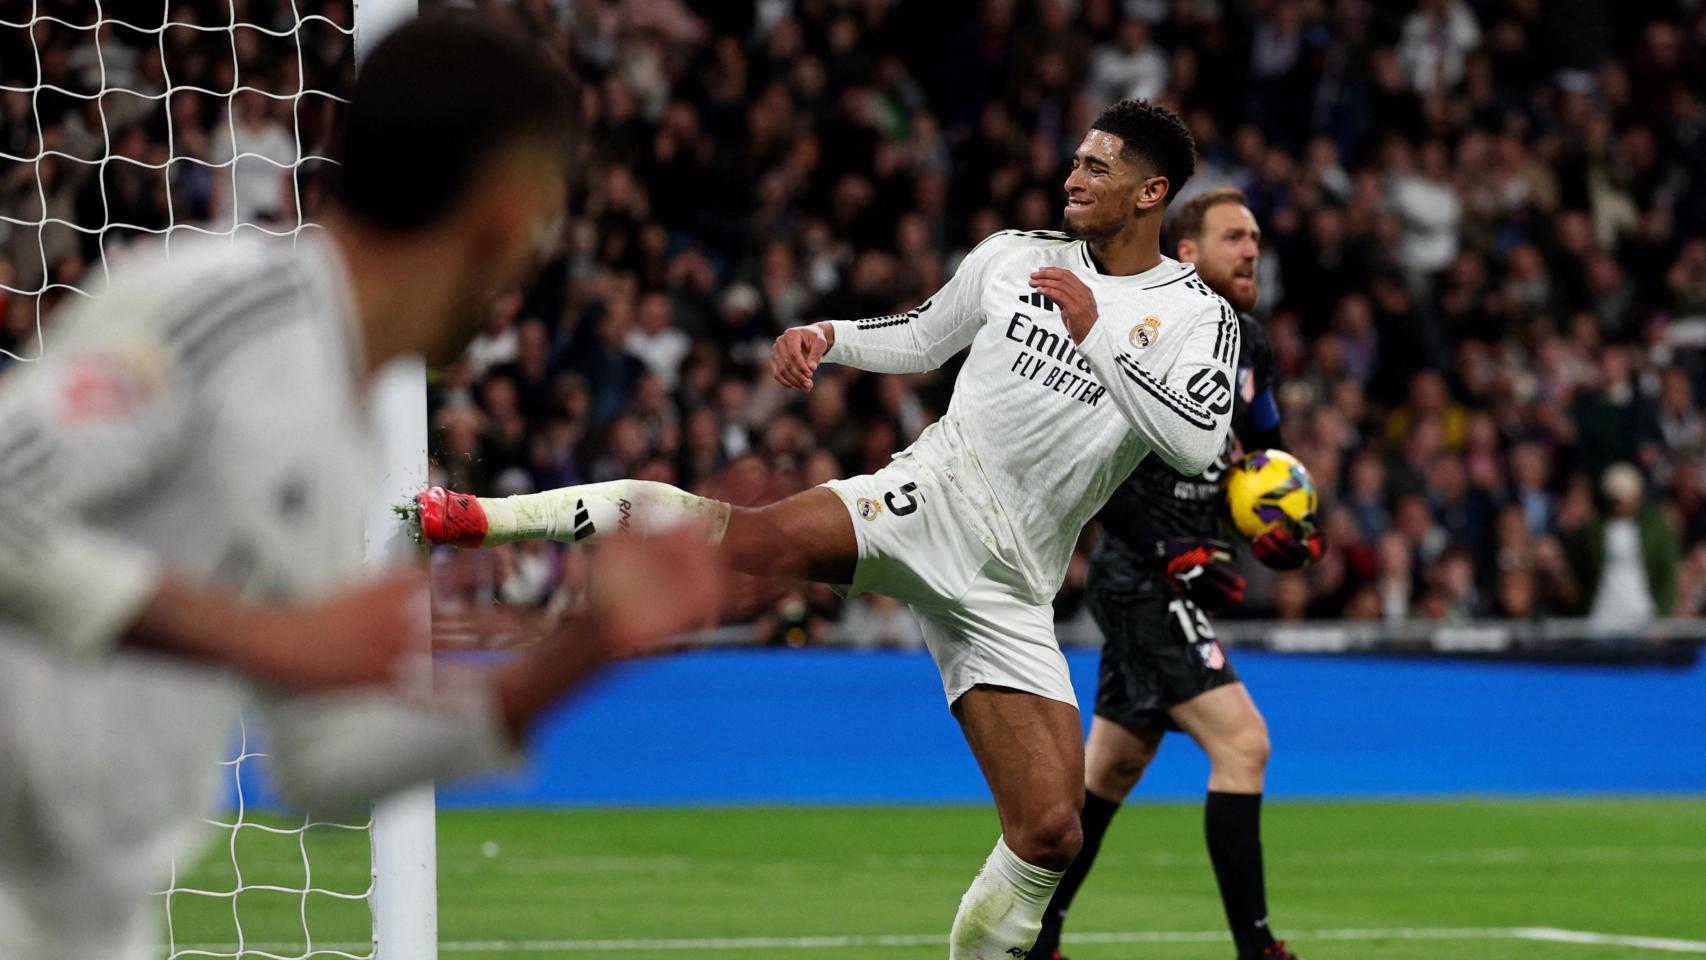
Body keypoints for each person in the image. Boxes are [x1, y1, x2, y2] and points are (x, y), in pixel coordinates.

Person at [417, 98, 1238, 958]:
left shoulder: (1196, 317)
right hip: (930, 502)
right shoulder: (1014, 257)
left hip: (1014, 587)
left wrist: (1096, 333)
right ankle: (481, 518)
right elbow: (924, 336)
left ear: (1150, 193)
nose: (1072, 177)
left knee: (1049, 833)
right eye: (1075, 161)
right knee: (751, 540)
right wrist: (830, 335)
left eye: (1096, 168)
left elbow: (1192, 443)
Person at [0, 18, 723, 960]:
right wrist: (261, 637)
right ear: (507, 210)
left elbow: (321, 769)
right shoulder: (228, 309)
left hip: (83, 919)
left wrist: (576, 656)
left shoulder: (338, 427)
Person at [1032, 189, 1322, 960]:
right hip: (1138, 575)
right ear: (1187, 252)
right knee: (1244, 745)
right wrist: (1170, 552)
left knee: (1114, 770)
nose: (1252, 250)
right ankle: (1256, 947)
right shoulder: (1150, 329)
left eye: (1257, 236)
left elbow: (1260, 460)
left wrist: (1276, 526)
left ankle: (1034, 934)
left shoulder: (1251, 344)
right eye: (1235, 237)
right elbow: (1098, 469)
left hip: (1178, 573)